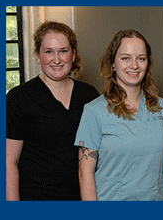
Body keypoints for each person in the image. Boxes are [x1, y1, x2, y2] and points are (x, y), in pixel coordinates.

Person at [74, 29, 163, 201]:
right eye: (125, 58)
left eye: (141, 58)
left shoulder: (161, 108)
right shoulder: (95, 111)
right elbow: (85, 173)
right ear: (113, 63)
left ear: (147, 63)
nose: (134, 65)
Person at [6, 21, 100, 200]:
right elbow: (9, 163)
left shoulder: (90, 95)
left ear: (73, 55)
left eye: (63, 51)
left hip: (82, 198)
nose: (56, 60)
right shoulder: (19, 98)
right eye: (49, 52)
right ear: (37, 56)